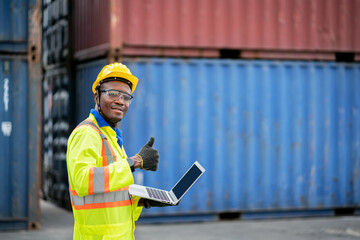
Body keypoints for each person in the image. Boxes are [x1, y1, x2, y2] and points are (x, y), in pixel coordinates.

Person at [66, 62, 168, 240]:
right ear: (96, 96)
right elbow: (83, 181)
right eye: (112, 93)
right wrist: (134, 162)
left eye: (126, 97)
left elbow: (109, 192)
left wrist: (142, 200)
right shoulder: (87, 133)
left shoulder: (111, 137)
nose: (120, 101)